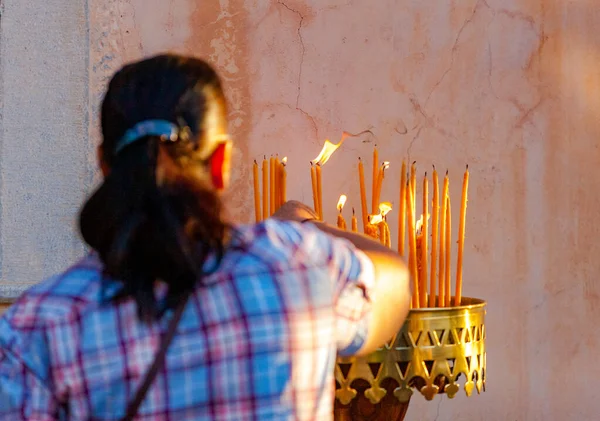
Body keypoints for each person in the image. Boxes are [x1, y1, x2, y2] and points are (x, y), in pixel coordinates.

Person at [0, 54, 410, 420]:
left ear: (105, 165)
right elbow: (394, 281)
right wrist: (304, 225)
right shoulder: (295, 265)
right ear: (221, 164)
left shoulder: (38, 327)